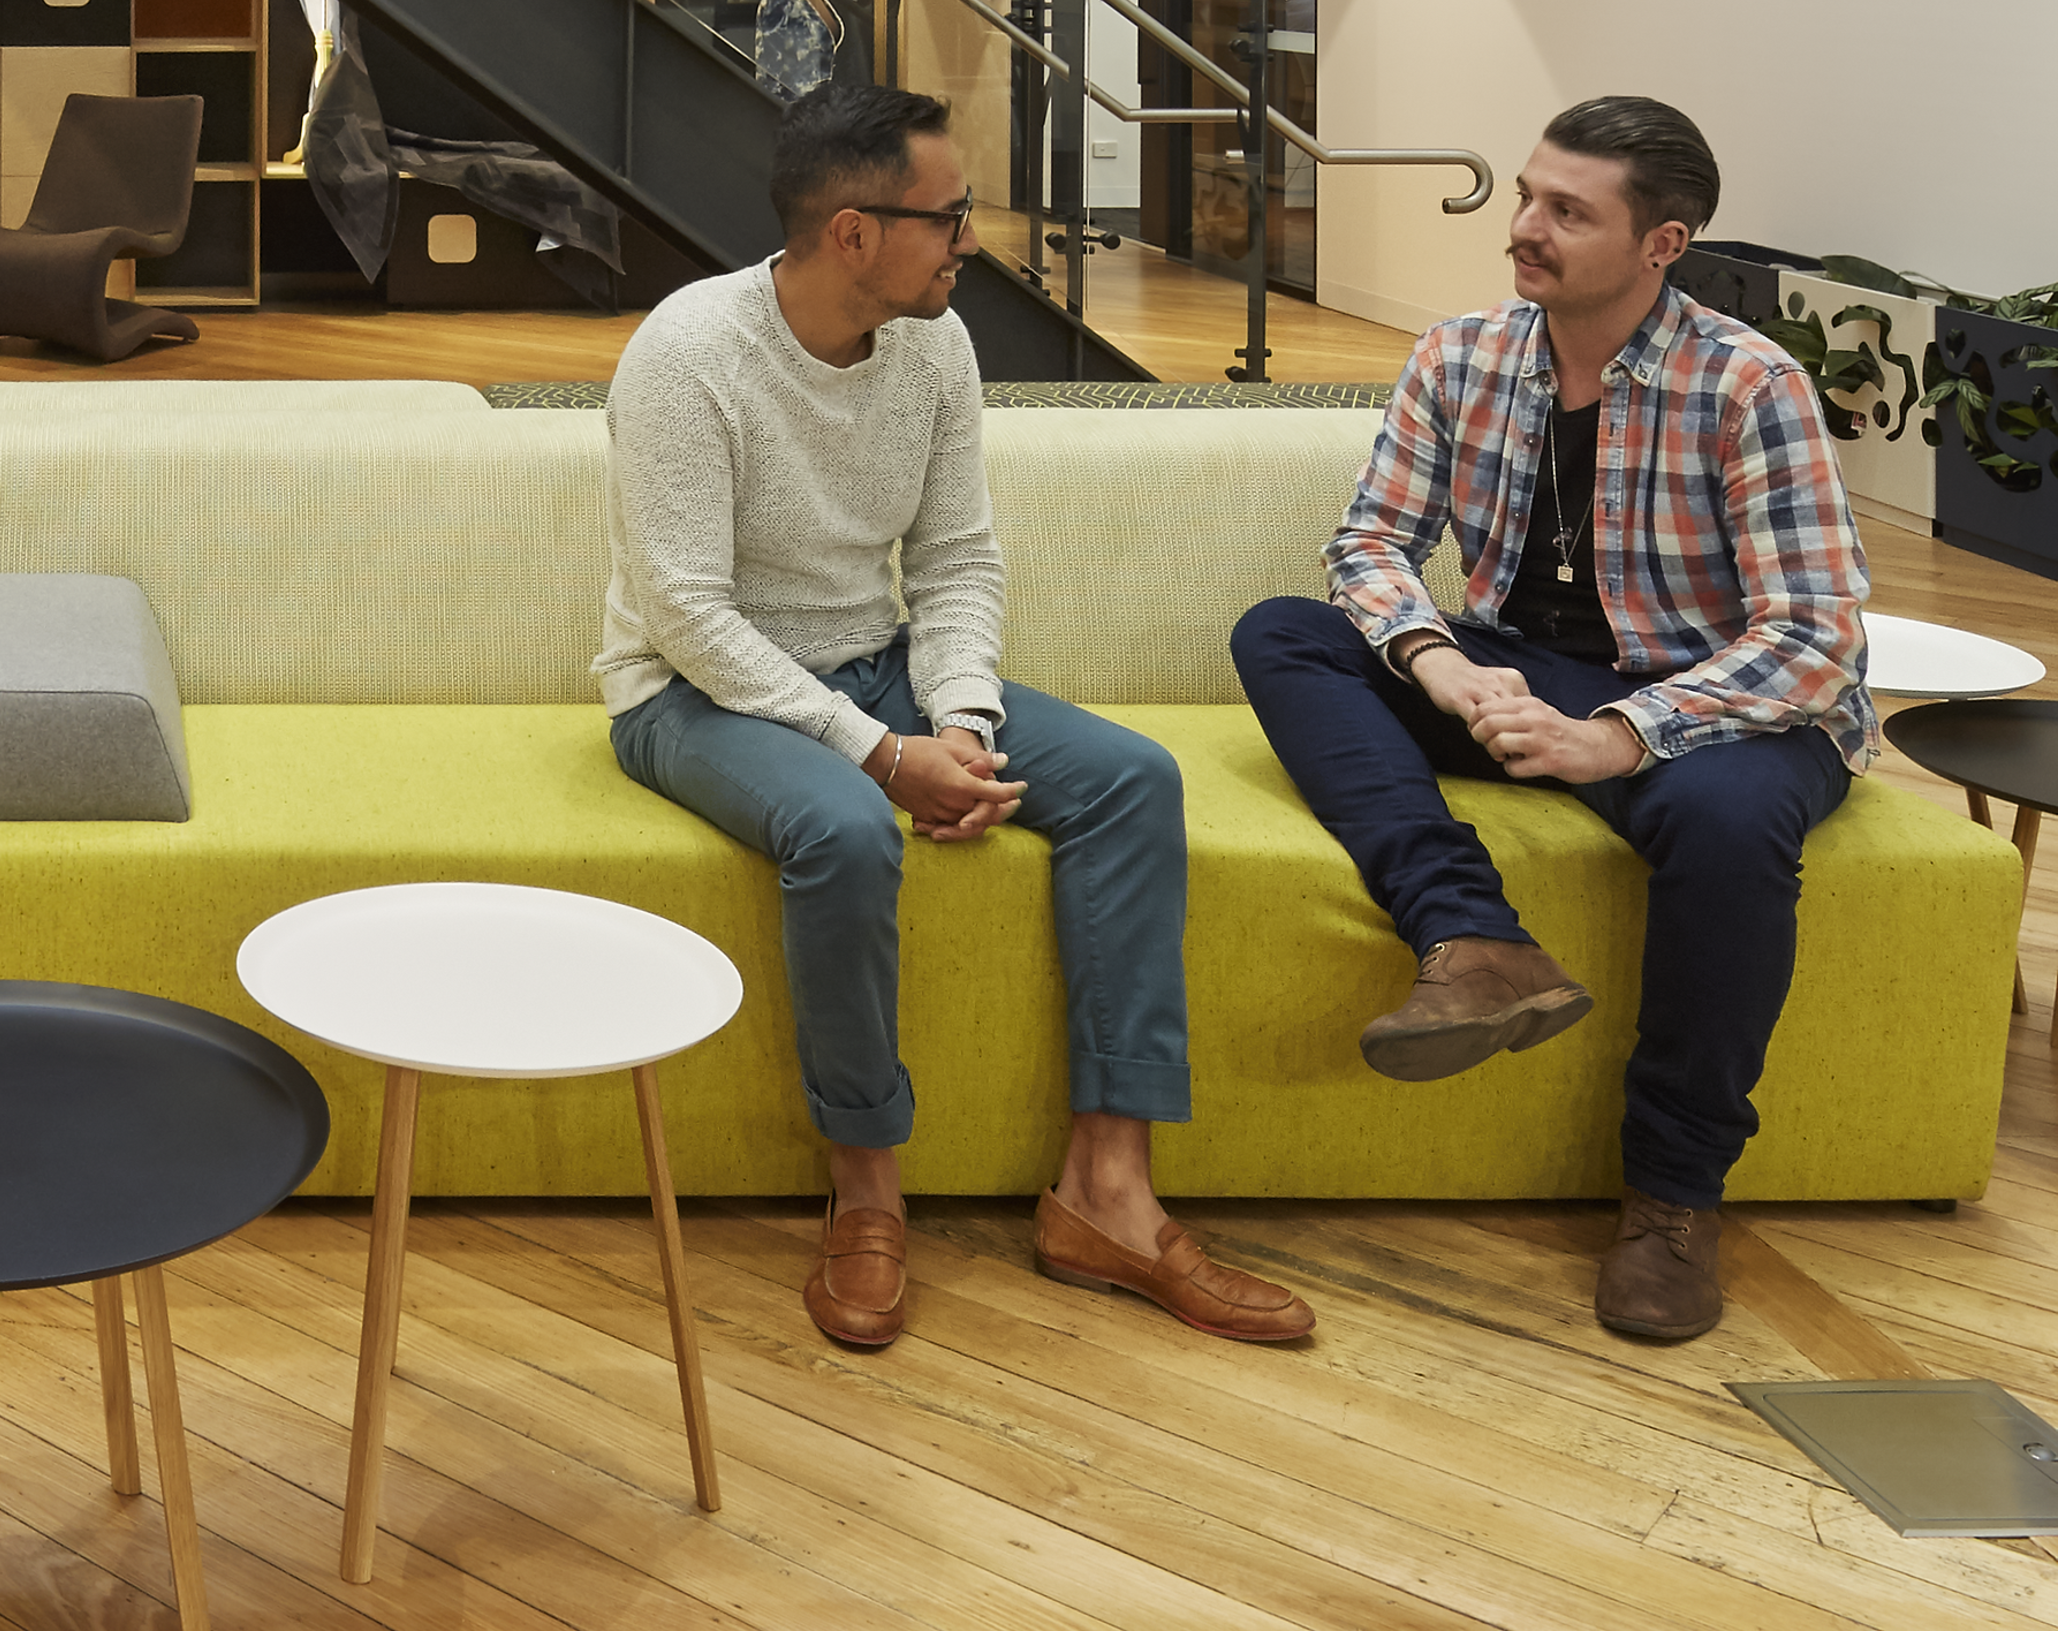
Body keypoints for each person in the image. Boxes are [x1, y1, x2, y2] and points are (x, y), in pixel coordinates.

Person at [601, 82, 1312, 1362]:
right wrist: (881, 756)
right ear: (855, 233)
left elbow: (959, 561)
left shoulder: (935, 344)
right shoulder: (689, 350)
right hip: (689, 693)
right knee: (846, 832)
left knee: (1134, 780)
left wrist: (962, 720)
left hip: (875, 667)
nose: (973, 239)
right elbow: (687, 611)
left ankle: (1110, 1192)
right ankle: (868, 1189)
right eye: (952, 214)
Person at [1230, 91, 1868, 1349]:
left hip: (1716, 705)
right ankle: (1475, 942)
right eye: (1528, 194)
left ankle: (1675, 1198)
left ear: (1661, 244)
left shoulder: (1747, 385)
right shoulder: (1463, 354)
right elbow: (1371, 544)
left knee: (1730, 828)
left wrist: (1625, 736)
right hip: (1519, 674)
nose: (1525, 226)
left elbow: (1815, 637)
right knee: (1284, 632)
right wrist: (1437, 663)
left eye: (1566, 211)